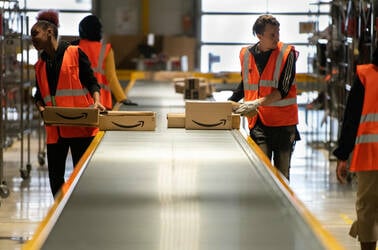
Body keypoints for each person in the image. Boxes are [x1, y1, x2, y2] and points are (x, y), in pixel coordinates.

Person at [31, 10, 105, 197]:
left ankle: (83, 214)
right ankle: (59, 216)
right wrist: (41, 109)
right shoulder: (40, 65)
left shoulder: (74, 53)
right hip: (55, 131)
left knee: (82, 178)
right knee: (55, 181)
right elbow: (39, 94)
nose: (32, 39)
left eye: (35, 34)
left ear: (49, 32)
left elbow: (92, 82)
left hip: (81, 127)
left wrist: (96, 102)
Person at [229, 14, 299, 180]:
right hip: (259, 123)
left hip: (284, 124)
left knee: (282, 177)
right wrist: (226, 105)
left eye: (278, 33)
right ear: (259, 36)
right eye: (272, 35)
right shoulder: (246, 54)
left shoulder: (287, 54)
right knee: (261, 173)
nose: (277, 38)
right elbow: (245, 84)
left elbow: (283, 89)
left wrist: (255, 103)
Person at [333, 47, 378, 250]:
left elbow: (351, 119)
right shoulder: (365, 75)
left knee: (367, 210)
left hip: (370, 156)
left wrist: (343, 155)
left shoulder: (365, 76)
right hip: (369, 155)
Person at [71, 14, 137, 110]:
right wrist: (122, 98)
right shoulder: (105, 50)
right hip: (100, 102)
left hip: (78, 100)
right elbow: (111, 77)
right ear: (99, 31)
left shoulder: (73, 48)